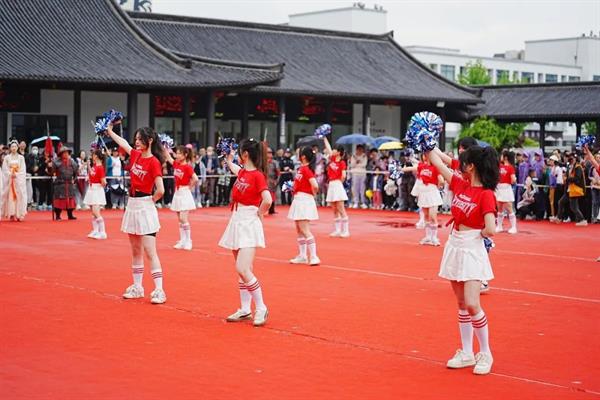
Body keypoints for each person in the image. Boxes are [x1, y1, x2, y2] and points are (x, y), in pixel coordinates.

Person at [429, 145, 498, 375]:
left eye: (465, 161)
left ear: (471, 166)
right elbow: (437, 163)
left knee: (472, 303)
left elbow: (491, 228)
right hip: (455, 244)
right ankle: (467, 352)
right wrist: (427, 143)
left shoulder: (486, 194)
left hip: (472, 247)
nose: (461, 165)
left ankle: (485, 352)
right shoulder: (460, 184)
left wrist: (478, 236)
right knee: (461, 304)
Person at [106, 124, 167, 305]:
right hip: (132, 204)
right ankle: (138, 287)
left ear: (150, 141)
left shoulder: (154, 162)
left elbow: (161, 190)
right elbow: (123, 143)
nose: (137, 142)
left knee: (150, 251)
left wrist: (150, 201)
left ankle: (159, 290)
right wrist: (110, 131)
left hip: (145, 205)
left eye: (140, 139)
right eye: (136, 139)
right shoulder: (135, 155)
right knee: (135, 250)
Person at [219, 139, 272, 327]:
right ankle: (245, 309)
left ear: (246, 154)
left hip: (248, 222)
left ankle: (261, 307)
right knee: (243, 270)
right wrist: (229, 158)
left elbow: (267, 199)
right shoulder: (243, 172)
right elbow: (234, 168)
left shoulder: (257, 176)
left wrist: (259, 213)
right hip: (237, 219)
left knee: (242, 268)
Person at [288, 147, 320, 266]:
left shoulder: (306, 170)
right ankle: (302, 256)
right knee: (299, 229)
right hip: (299, 199)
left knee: (305, 229)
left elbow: (315, 185)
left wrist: (312, 193)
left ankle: (314, 256)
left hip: (304, 200)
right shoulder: (301, 169)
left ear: (303, 157)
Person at [403, 153, 443, 245]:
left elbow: (441, 180)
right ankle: (428, 237)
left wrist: (438, 186)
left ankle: (434, 237)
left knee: (433, 216)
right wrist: (400, 167)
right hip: (423, 193)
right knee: (426, 216)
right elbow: (409, 168)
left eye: (427, 155)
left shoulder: (435, 167)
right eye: (424, 155)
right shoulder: (421, 166)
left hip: (432, 192)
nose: (425, 157)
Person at [164, 145, 198, 251]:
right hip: (177, 192)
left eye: (179, 153)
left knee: (183, 218)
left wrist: (189, 187)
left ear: (185, 155)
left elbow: (195, 178)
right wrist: (165, 148)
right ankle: (182, 240)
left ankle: (188, 240)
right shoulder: (176, 164)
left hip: (184, 192)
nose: (177, 155)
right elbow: (168, 157)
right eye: (177, 153)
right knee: (179, 219)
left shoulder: (187, 167)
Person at [323, 137, 350, 237]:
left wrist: (339, 183)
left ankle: (346, 231)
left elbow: (344, 175)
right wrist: (324, 137)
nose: (333, 151)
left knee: (341, 208)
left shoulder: (342, 162)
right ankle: (337, 230)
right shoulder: (332, 158)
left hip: (337, 184)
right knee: (334, 208)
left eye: (335, 149)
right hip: (331, 184)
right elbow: (328, 148)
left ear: (338, 152)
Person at [555, 153, 587, 226]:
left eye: (572, 158)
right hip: (569, 189)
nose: (571, 159)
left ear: (576, 159)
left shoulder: (578, 167)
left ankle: (582, 219)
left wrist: (568, 179)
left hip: (574, 189)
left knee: (573, 207)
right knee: (561, 202)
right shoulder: (569, 167)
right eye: (570, 158)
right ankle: (559, 218)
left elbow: (577, 179)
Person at [83, 149, 108, 239]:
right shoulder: (95, 165)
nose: (91, 156)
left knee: (96, 212)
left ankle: (103, 232)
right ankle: (95, 230)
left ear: (96, 156)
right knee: (93, 213)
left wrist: (101, 185)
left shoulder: (100, 167)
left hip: (97, 189)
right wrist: (88, 166)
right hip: (92, 188)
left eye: (93, 155)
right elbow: (92, 173)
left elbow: (103, 181)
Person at [1, 140, 27, 221]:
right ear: (10, 148)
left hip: (18, 180)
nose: (14, 148)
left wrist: (16, 174)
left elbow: (23, 169)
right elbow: (4, 169)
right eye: (12, 146)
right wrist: (10, 174)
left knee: (20, 196)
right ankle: (12, 214)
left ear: (17, 147)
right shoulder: (7, 158)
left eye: (15, 146)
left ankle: (19, 214)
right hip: (10, 180)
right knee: (11, 197)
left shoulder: (21, 158)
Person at [52, 147, 78, 221]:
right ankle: (58, 215)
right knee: (59, 201)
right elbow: (51, 172)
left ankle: (70, 215)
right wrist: (49, 166)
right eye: (64, 153)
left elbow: (76, 172)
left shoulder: (72, 162)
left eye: (67, 152)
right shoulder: (56, 162)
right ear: (61, 154)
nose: (66, 154)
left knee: (70, 200)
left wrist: (74, 180)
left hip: (69, 184)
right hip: (60, 184)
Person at [495, 150, 517, 234]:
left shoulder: (510, 167)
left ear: (505, 157)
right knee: (499, 208)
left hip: (506, 188)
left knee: (509, 208)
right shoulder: (499, 166)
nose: (500, 157)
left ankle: (513, 227)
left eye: (502, 155)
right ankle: (499, 226)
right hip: (499, 187)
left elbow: (513, 180)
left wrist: (512, 180)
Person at [548, 155, 564, 221]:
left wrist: (553, 185)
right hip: (554, 186)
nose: (550, 161)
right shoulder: (553, 168)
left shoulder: (557, 168)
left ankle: (558, 216)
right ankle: (554, 215)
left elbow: (556, 178)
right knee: (553, 201)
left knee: (556, 201)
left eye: (551, 160)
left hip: (557, 186)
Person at [266, 147, 279, 214]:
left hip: (272, 181)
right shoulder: (262, 162)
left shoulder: (275, 163)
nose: (270, 154)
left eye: (270, 153)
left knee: (272, 195)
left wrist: (276, 181)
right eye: (268, 153)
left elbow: (278, 173)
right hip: (264, 181)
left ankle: (271, 210)